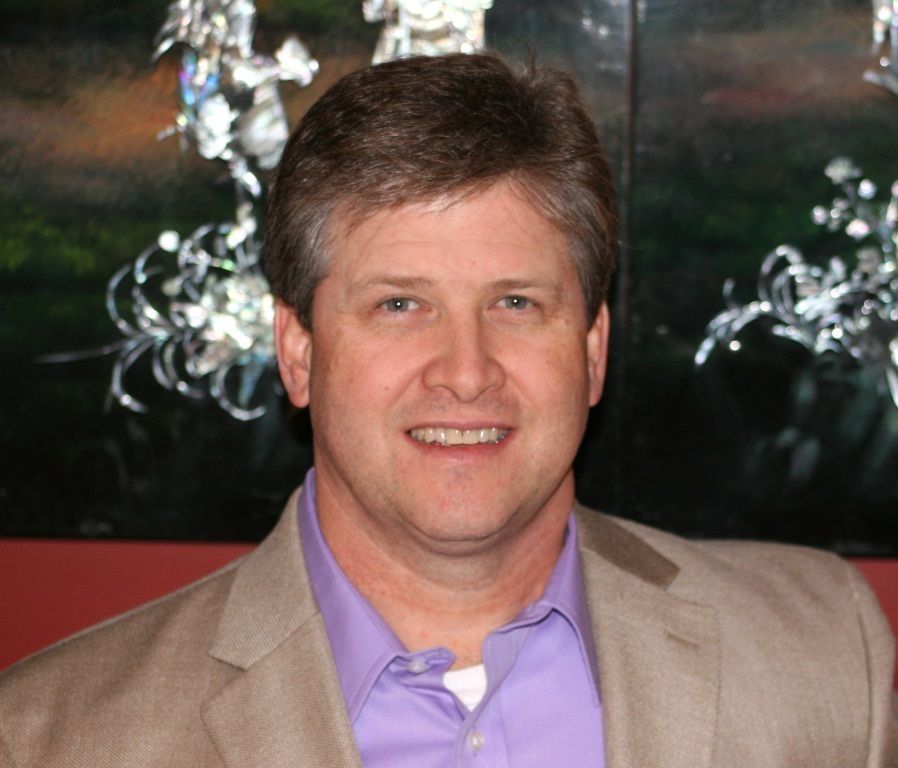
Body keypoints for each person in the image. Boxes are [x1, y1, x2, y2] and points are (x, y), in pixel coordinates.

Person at [0, 53, 895, 768]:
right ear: (298, 351)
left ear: (592, 350)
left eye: (516, 303)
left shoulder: (825, 657)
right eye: (400, 304)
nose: (466, 374)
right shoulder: (52, 737)